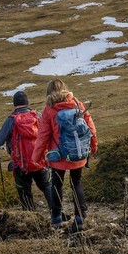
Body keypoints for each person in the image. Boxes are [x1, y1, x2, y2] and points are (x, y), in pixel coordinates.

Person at [32, 79, 97, 232]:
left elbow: (43, 136)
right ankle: (80, 218)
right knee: (77, 183)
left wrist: (36, 158)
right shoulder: (77, 103)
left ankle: (56, 219)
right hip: (78, 153)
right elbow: (90, 128)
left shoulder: (49, 110)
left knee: (56, 183)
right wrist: (93, 146)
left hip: (58, 156)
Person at [0, 91, 57, 214]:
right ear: (27, 103)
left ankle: (31, 218)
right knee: (47, 185)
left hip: (21, 164)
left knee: (25, 191)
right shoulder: (37, 116)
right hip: (40, 161)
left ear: (15, 104)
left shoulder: (11, 120)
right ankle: (57, 213)